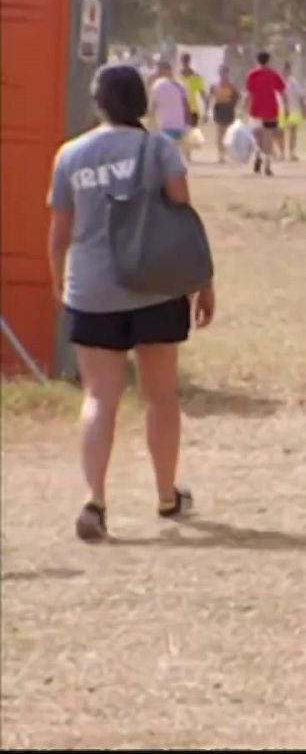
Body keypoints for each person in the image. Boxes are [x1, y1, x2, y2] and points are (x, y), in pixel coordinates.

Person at [47, 63, 217, 541]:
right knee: (159, 395)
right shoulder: (159, 149)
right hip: (156, 287)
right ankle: (166, 493)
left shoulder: (70, 155)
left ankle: (95, 500)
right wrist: (202, 281)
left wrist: (59, 285)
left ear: (97, 102)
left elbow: (59, 233)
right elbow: (181, 217)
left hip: (92, 290)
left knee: (99, 396)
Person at [243, 51, 285, 176]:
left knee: (257, 137)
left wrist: (244, 108)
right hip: (271, 110)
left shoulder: (252, 75)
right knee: (268, 138)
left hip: (256, 109)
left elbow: (248, 93)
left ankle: (257, 155)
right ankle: (267, 164)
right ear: (268, 60)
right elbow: (281, 89)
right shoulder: (273, 74)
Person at [148, 60, 190, 154]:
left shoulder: (157, 85)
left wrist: (151, 123)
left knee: (166, 156)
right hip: (179, 125)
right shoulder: (180, 85)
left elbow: (152, 107)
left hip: (165, 126)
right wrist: (187, 123)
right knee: (176, 155)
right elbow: (186, 106)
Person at [210, 64, 240, 163]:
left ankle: (226, 153)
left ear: (227, 73)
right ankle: (221, 154)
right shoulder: (215, 85)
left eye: (225, 72)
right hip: (219, 108)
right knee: (220, 131)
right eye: (221, 72)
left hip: (228, 108)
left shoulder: (231, 86)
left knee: (227, 132)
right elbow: (210, 97)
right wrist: (207, 109)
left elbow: (237, 96)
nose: (223, 75)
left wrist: (233, 105)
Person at [281, 60, 306, 161]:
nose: (285, 72)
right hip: (281, 109)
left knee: (293, 131)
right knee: (280, 131)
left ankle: (292, 153)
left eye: (287, 70)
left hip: (294, 109)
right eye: (284, 70)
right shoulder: (279, 81)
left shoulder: (293, 82)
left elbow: (300, 96)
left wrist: (304, 109)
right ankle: (282, 152)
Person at [178, 52, 208, 132]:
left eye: (186, 60)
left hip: (192, 110)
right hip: (180, 110)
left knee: (192, 136)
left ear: (189, 61)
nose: (185, 63)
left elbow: (203, 95)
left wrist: (206, 112)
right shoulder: (177, 76)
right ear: (181, 61)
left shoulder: (195, 77)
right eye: (184, 60)